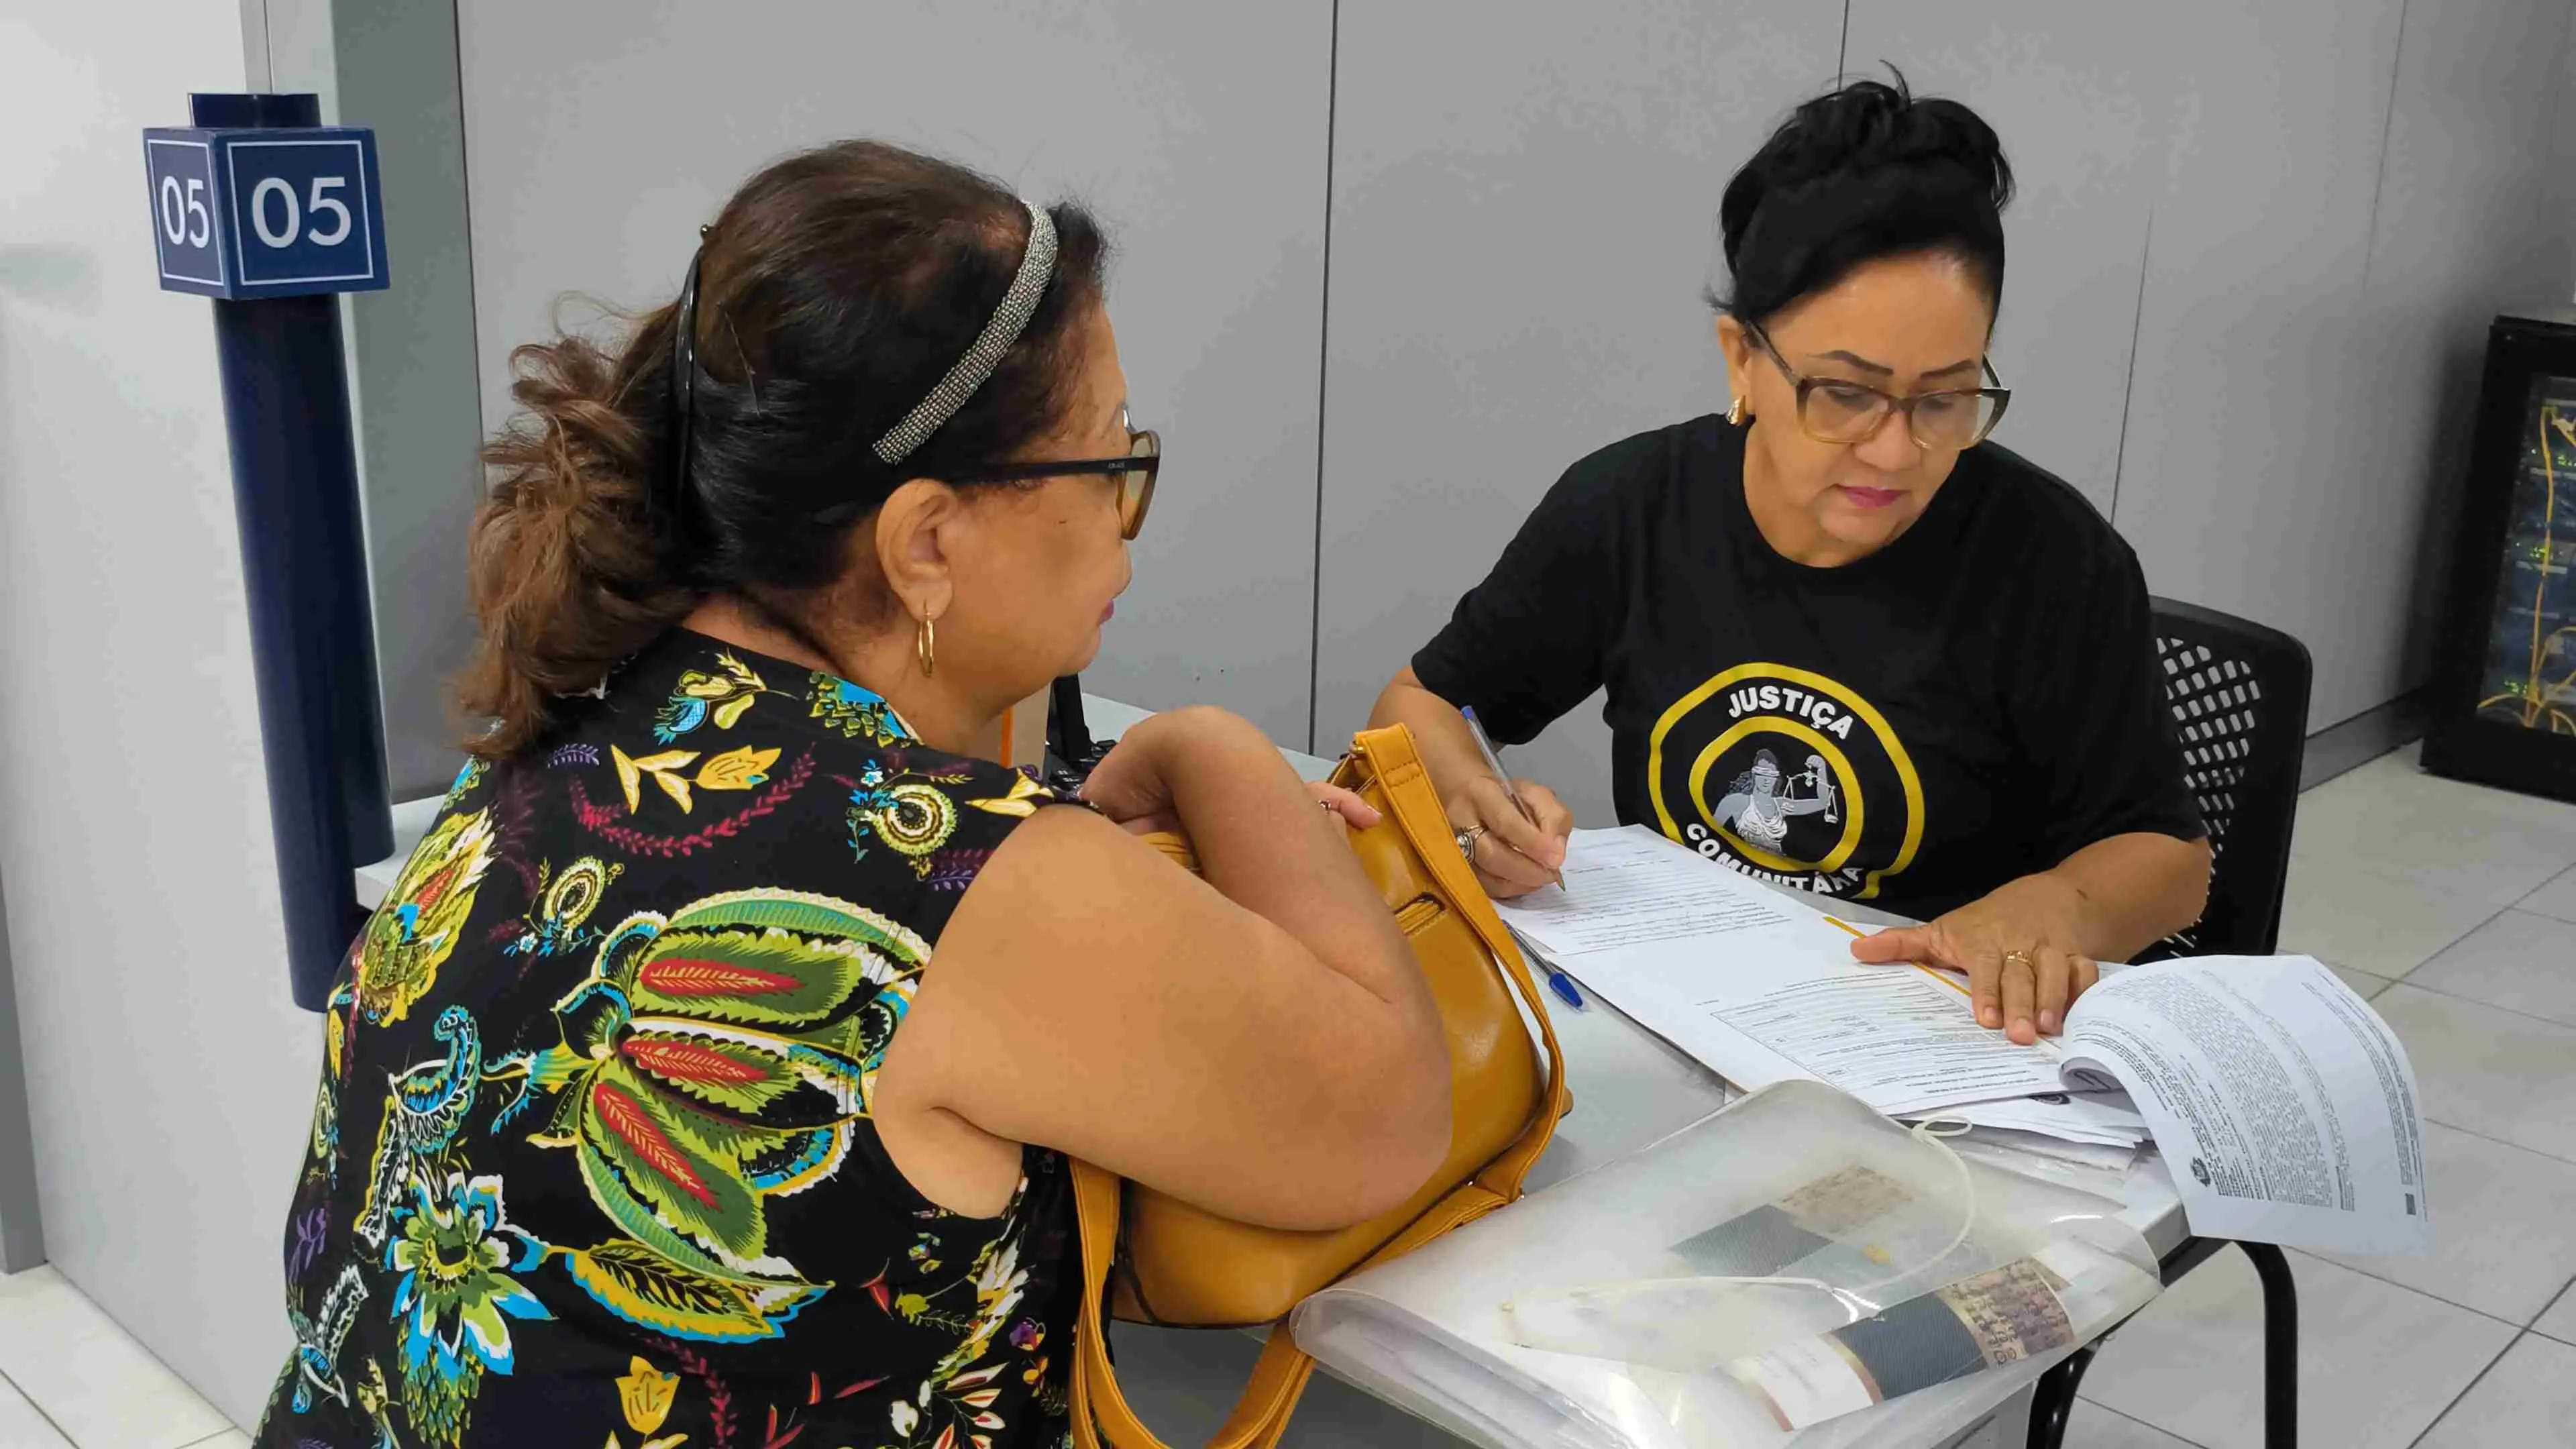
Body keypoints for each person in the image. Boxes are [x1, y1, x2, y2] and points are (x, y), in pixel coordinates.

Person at [258, 141, 1450, 1449]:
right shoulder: (946, 879)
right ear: (925, 541)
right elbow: (1388, 1121)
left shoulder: (583, 716)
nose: (1125, 513)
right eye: (1108, 461)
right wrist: (1208, 749)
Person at [1372, 74, 2211, 1046]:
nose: (1895, 452)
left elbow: (2173, 861)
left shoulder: (2053, 561)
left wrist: (2058, 906)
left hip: (1939, 1035)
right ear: (1742, 359)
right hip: (1693, 1010)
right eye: (1846, 394)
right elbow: (1420, 703)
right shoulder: (1634, 507)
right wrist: (1471, 808)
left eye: (1944, 399)